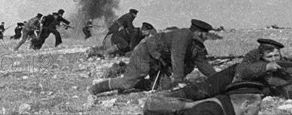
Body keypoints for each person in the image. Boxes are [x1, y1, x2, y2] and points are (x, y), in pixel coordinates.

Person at [88, 19, 216, 95]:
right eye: (206, 34)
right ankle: (96, 88)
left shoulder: (196, 45)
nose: (206, 37)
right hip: (145, 53)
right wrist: (178, 81)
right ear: (199, 32)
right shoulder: (184, 35)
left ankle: (137, 83)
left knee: (163, 87)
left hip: (157, 60)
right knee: (127, 83)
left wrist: (219, 78)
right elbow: (177, 57)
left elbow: (203, 64)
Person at [164, 38, 292, 101]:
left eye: (276, 55)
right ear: (261, 55)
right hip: (230, 77)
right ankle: (176, 95)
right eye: (269, 56)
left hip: (245, 91)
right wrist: (265, 67)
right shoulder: (253, 56)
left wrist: (273, 80)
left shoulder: (286, 65)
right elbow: (241, 70)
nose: (273, 59)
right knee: (205, 88)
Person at [144, 81, 264, 115]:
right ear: (246, 105)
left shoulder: (224, 108)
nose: (259, 111)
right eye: (258, 106)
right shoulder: (209, 111)